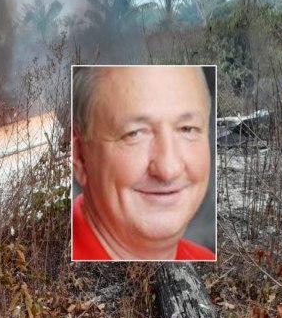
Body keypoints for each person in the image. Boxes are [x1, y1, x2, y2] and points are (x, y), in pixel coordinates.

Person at [71, 66, 215, 261]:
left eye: (187, 129)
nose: (168, 170)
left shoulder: (202, 260)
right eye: (134, 133)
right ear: (80, 157)